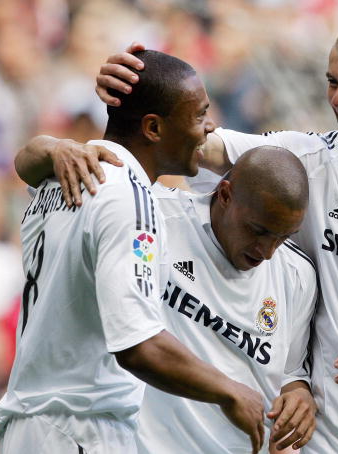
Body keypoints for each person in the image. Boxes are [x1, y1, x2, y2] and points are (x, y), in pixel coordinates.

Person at [37, 18, 338, 453]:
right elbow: (181, 137)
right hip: (333, 439)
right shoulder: (308, 162)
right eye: (332, 83)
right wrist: (129, 97)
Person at [0, 49, 266, 454]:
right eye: (199, 115)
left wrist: (48, 146)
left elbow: (26, 162)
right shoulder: (129, 197)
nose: (209, 127)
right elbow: (138, 345)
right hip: (79, 430)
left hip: (25, 426)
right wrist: (230, 391)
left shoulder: (64, 174)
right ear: (153, 127)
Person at [16, 142, 319, 453]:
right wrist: (53, 148)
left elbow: (290, 374)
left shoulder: (298, 275)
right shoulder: (150, 215)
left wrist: (299, 395)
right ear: (225, 195)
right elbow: (31, 168)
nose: (267, 252)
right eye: (259, 231)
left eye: (283, 238)